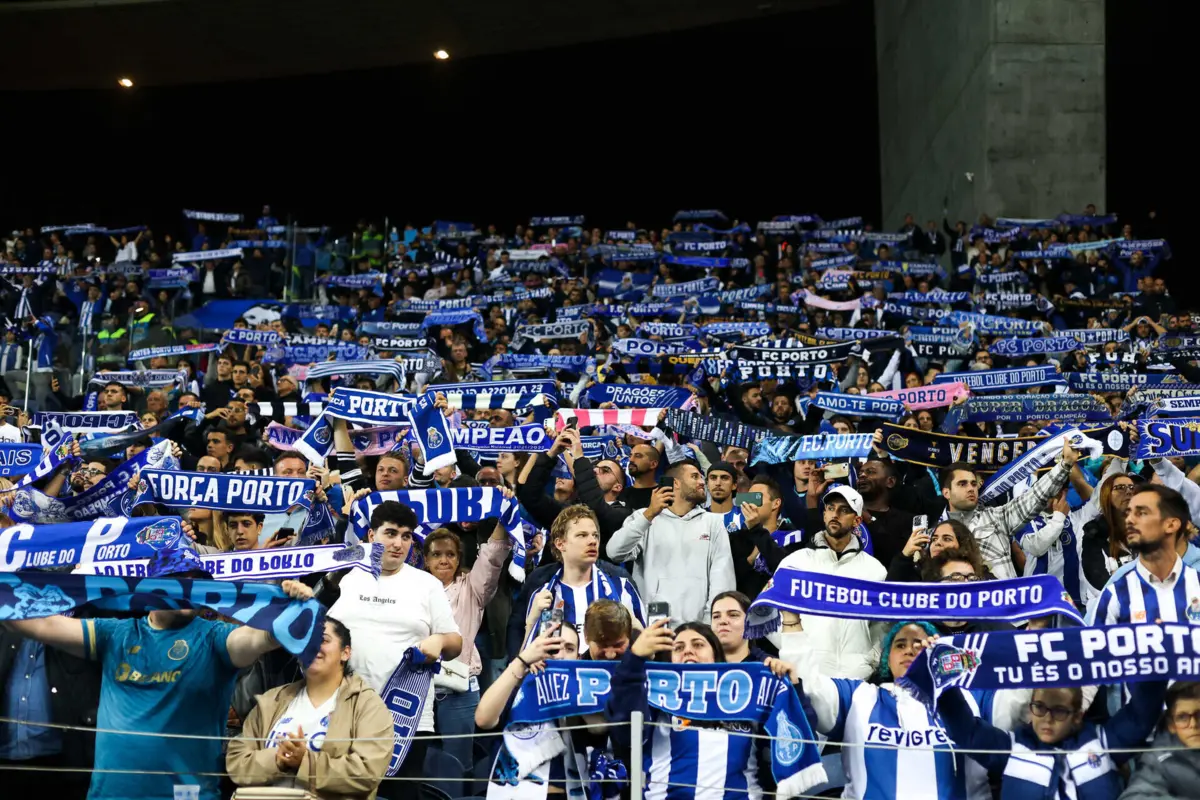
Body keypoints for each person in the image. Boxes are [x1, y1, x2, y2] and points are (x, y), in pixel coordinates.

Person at [0, 566, 314, 800]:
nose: (188, 589)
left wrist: (288, 613)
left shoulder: (214, 639)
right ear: (152, 588)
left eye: (196, 583)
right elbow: (41, 624)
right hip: (109, 796)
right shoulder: (117, 633)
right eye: (179, 579)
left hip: (185, 796)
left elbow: (260, 639)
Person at [323, 501, 463, 799]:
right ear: (371, 536)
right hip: (345, 713)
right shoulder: (348, 578)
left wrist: (438, 642)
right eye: (390, 533)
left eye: (406, 536)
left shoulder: (427, 584)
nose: (398, 543)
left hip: (406, 720)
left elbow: (455, 642)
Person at [226, 618, 393, 800]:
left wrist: (305, 762)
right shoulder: (271, 700)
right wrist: (277, 760)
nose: (313, 645)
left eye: (323, 640)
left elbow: (367, 772)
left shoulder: (367, 705)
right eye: (306, 639)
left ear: (345, 653)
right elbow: (236, 762)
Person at [938, 678, 1167, 799]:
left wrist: (1156, 665)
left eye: (1058, 711)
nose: (1047, 719)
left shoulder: (1101, 742)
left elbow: (1140, 716)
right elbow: (967, 732)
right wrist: (942, 685)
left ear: (1077, 716)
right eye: (1039, 707)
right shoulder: (1012, 748)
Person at [423, 523, 511, 768]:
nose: (444, 560)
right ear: (426, 559)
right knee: (417, 763)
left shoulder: (472, 587)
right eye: (436, 554)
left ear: (459, 558)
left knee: (459, 764)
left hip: (459, 691)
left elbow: (492, 558)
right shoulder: (412, 588)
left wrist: (502, 521)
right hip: (417, 690)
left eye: (450, 554)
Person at [776, 485, 885, 679]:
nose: (835, 514)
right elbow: (769, 611)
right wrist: (795, 652)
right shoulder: (796, 563)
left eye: (844, 510)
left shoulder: (874, 570)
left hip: (857, 678)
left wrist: (870, 660)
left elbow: (882, 625)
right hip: (807, 674)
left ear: (857, 520)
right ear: (824, 514)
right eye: (831, 508)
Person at [606, 460, 736, 624]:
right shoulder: (644, 518)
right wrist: (649, 515)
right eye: (695, 477)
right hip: (653, 628)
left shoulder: (713, 522)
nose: (702, 482)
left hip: (698, 628)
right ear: (676, 483)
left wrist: (710, 623)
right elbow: (614, 553)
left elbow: (722, 578)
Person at [936, 439, 1080, 580]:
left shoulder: (997, 517)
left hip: (1005, 602)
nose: (971, 489)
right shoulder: (934, 535)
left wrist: (1065, 464)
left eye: (973, 484)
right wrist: (912, 554)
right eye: (962, 484)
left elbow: (1035, 496)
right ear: (946, 492)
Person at [518, 504, 645, 656]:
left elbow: (645, 649)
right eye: (582, 535)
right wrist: (531, 622)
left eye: (595, 535)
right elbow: (527, 664)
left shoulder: (621, 589)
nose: (592, 541)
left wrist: (635, 627)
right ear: (560, 544)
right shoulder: (545, 596)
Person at [1091, 484, 1200, 626]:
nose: (1129, 520)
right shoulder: (1114, 595)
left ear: (1171, 525)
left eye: (1141, 513)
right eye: (1128, 513)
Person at [1120, 681, 1200, 799]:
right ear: (1171, 725)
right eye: (1182, 717)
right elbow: (1133, 797)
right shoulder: (1158, 760)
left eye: (1199, 715)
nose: (1193, 724)